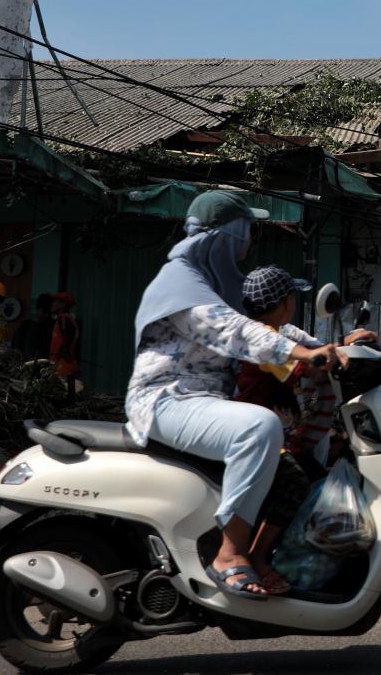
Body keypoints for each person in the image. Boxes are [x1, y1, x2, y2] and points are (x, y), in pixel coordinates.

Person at [125, 190, 345, 599]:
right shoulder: (182, 283)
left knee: (286, 467)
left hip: (203, 403)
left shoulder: (217, 281)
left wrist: (339, 348)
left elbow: (269, 329)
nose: (249, 239)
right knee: (259, 427)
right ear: (227, 235)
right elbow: (234, 330)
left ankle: (259, 554)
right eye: (246, 230)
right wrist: (298, 354)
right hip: (166, 399)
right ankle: (230, 554)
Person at [231, 266, 377, 594]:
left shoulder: (279, 332)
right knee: (296, 481)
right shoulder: (263, 339)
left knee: (320, 482)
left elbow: (314, 349)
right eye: (293, 297)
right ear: (285, 303)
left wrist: (344, 344)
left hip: (275, 433)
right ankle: (258, 558)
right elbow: (306, 364)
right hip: (257, 437)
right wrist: (332, 354)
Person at [50, 291, 81, 400]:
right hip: (63, 363)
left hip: (63, 365)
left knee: (62, 396)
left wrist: (64, 351)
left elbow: (69, 339)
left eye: (55, 301)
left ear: (63, 304)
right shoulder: (66, 318)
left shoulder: (64, 318)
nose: (53, 304)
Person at [11, 293, 55, 361]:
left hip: (44, 364)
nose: (47, 315)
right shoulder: (25, 325)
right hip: (28, 364)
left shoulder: (53, 325)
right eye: (45, 312)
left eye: (48, 313)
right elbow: (16, 349)